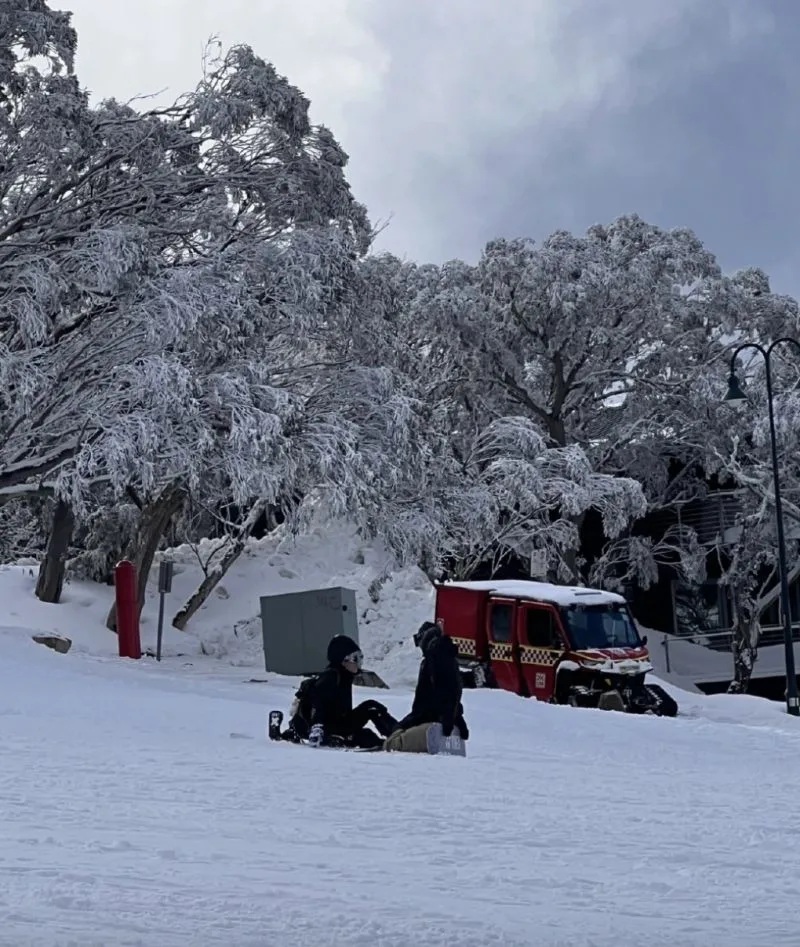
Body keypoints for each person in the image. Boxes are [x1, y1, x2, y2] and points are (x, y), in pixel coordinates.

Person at [284, 634, 398, 749]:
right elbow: (317, 700)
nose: (359, 663)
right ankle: (399, 736)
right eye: (356, 658)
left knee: (369, 725)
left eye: (360, 657)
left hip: (337, 724)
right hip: (329, 728)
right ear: (344, 660)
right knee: (371, 710)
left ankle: (397, 735)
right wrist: (317, 727)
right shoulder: (331, 676)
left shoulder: (344, 675)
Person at [384, 620, 470, 753]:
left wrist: (448, 717)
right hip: (432, 718)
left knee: (393, 742)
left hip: (430, 722)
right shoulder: (445, 657)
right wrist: (456, 716)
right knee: (397, 729)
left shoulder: (436, 657)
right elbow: (451, 690)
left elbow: (445, 692)